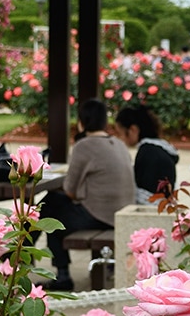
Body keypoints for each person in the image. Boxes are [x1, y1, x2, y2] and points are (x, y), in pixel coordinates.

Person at [40, 99, 133, 291]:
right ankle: (23, 252)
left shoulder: (84, 146)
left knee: (50, 214)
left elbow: (70, 190)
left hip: (101, 217)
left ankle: (62, 275)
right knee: (52, 203)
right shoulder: (118, 144)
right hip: (122, 212)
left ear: (82, 122)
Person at [115, 104, 178, 203]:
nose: (120, 138)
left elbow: (146, 194)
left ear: (133, 130)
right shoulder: (159, 150)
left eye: (120, 133)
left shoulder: (147, 153)